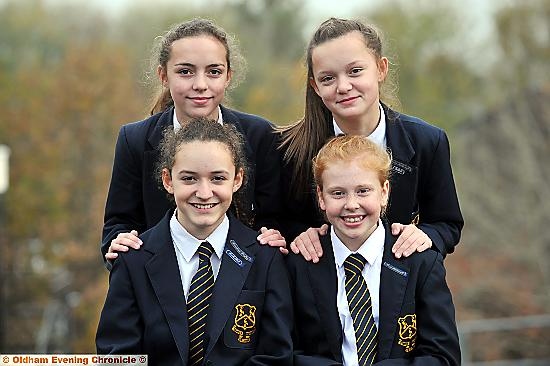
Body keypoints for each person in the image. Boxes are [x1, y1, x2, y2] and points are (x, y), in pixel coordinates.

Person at [96, 118, 293, 365]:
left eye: (218, 178)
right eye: (189, 179)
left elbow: (276, 356)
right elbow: (118, 355)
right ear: (168, 180)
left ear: (238, 179)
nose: (204, 192)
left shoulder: (265, 257)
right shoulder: (133, 259)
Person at [102, 18, 284, 268]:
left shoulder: (260, 135)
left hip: (244, 284)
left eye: (214, 72)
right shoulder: (135, 140)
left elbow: (276, 218)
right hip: (161, 284)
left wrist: (275, 236)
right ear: (163, 75)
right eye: (185, 71)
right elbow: (118, 224)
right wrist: (117, 244)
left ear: (228, 76)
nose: (200, 85)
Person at [278, 17, 463, 262]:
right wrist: (299, 236)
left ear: (381, 69)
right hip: (320, 289)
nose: (343, 86)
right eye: (327, 78)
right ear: (315, 86)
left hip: (400, 288)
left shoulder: (426, 141)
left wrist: (424, 235)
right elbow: (277, 222)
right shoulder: (290, 148)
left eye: (355, 71)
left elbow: (446, 224)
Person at [286, 134, 460, 365]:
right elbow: (283, 352)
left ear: (384, 192)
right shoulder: (299, 264)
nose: (351, 204)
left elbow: (442, 357)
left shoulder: (421, 262)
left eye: (363, 191)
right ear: (321, 197)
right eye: (338, 193)